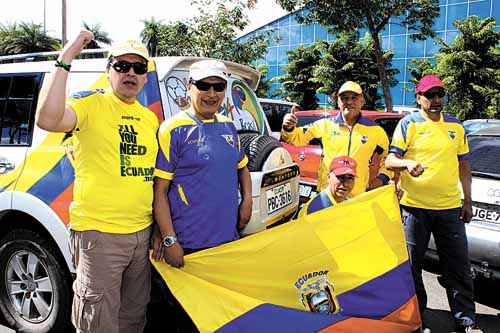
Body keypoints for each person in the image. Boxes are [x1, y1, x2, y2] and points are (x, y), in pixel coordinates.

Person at [36, 31, 158, 333]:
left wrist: (158, 230)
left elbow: (151, 177)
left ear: (145, 78)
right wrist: (67, 56)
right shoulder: (92, 107)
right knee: (97, 322)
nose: (130, 72)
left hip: (141, 234)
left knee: (133, 316)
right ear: (109, 71)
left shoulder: (149, 118)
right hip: (99, 235)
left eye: (138, 68)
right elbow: (48, 119)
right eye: (121, 66)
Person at [385, 75, 482, 333]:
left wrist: (468, 201)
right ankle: (419, 319)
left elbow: (464, 166)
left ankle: (466, 321)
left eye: (440, 94)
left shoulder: (456, 126)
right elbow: (390, 161)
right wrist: (407, 164)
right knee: (412, 268)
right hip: (414, 208)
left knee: (458, 266)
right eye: (430, 95)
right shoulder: (409, 124)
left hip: (449, 208)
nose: (436, 100)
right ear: (419, 98)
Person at [152, 59, 252, 268]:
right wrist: (169, 239)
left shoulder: (228, 126)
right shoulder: (172, 129)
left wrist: (247, 201)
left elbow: (242, 169)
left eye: (219, 87)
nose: (212, 94)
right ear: (189, 87)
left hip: (227, 239)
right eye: (204, 86)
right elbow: (159, 192)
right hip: (189, 246)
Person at [281, 81, 392, 196]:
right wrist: (288, 127)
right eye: (344, 98)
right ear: (338, 102)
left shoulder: (375, 131)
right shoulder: (325, 125)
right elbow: (296, 138)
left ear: (362, 101)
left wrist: (382, 179)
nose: (349, 102)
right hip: (328, 195)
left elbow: (388, 158)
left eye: (354, 98)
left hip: (357, 197)